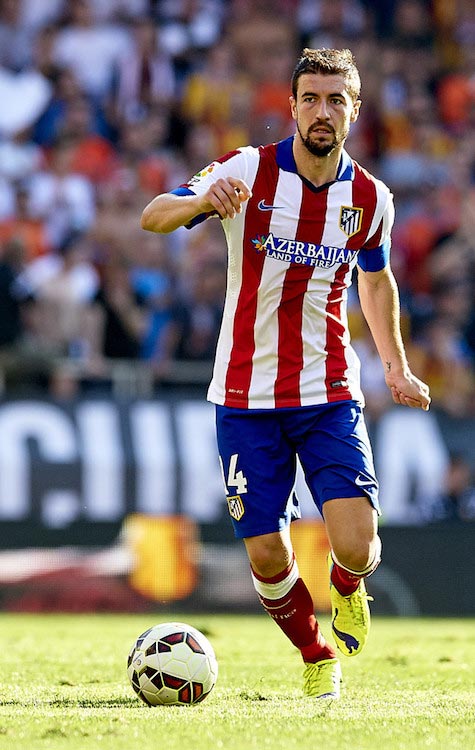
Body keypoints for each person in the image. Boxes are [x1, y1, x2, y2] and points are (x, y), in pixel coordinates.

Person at [140, 48, 431, 700]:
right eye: (310, 99)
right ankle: (314, 650)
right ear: (292, 105)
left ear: (354, 111)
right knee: (268, 555)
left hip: (328, 390)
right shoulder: (246, 169)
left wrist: (395, 367)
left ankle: (348, 587)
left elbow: (376, 282)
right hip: (244, 395)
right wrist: (199, 202)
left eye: (335, 100)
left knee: (355, 545)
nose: (321, 112)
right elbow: (153, 214)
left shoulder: (369, 198)